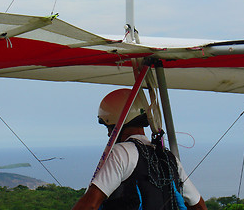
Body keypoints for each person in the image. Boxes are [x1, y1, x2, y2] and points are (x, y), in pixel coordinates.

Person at [72, 89, 207, 210]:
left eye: (108, 127)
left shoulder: (122, 152)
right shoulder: (168, 157)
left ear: (115, 124)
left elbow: (90, 205)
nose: (109, 134)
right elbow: (199, 206)